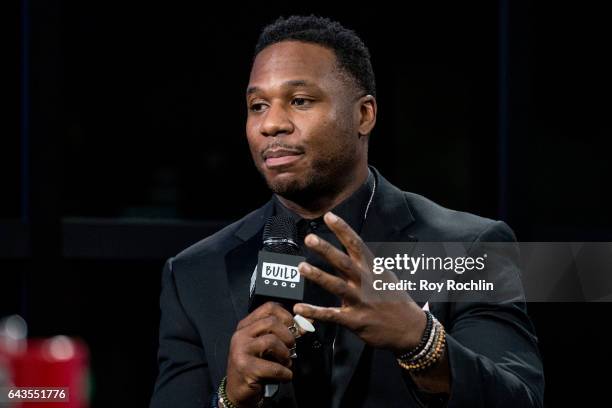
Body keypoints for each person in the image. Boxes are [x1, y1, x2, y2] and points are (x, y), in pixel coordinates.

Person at [150, 15, 544, 408]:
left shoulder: (468, 248)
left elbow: (520, 400)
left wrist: (422, 341)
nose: (271, 124)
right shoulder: (194, 274)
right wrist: (229, 398)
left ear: (364, 115)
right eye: (257, 106)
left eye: (300, 101)